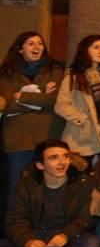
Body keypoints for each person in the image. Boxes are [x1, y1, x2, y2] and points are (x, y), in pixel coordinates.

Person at [0, 140, 100, 247]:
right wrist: (27, 241)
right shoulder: (27, 185)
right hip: (35, 236)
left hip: (63, 240)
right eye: (54, 158)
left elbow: (85, 218)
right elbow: (15, 220)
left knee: (91, 244)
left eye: (66, 156)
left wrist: (65, 235)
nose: (62, 162)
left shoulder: (82, 183)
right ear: (40, 165)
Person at [0, 32, 65, 207]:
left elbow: (53, 100)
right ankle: (16, 230)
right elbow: (5, 104)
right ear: (20, 49)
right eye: (31, 43)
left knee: (46, 185)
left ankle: (43, 227)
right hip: (17, 139)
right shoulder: (6, 73)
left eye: (40, 43)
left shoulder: (55, 69)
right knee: (18, 185)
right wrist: (40, 96)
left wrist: (21, 96)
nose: (36, 47)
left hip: (47, 136)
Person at [56, 34, 100, 160]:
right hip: (82, 137)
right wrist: (84, 119)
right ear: (85, 50)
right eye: (96, 47)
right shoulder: (75, 76)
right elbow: (61, 105)